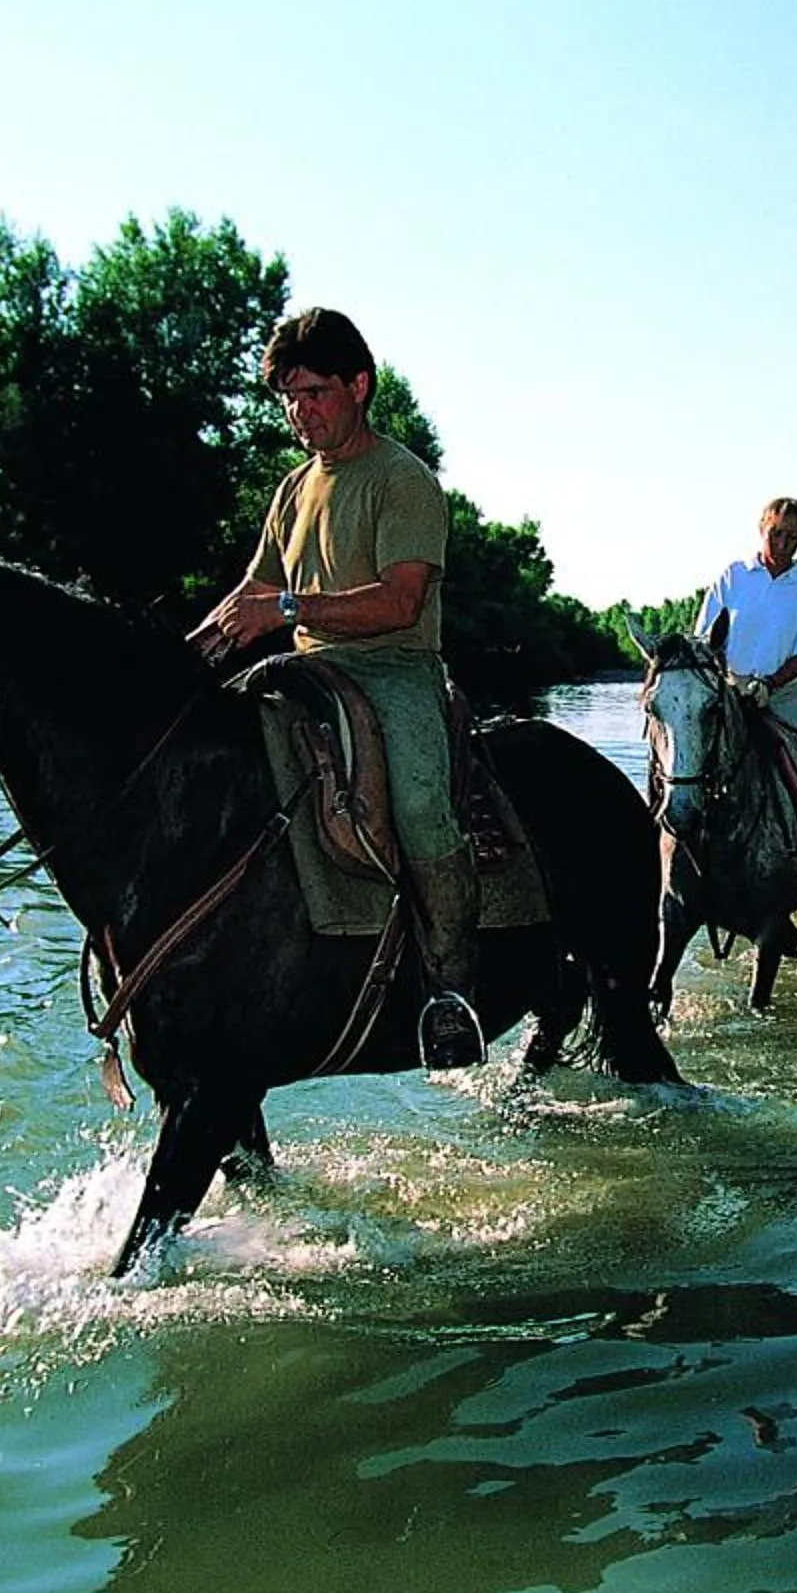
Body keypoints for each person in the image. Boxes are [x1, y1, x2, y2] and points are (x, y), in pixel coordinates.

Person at [191, 307, 484, 1070]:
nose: (299, 411)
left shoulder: (402, 479)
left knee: (420, 804)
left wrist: (285, 610)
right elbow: (253, 589)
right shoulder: (292, 490)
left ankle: (454, 989)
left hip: (393, 669)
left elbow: (400, 601)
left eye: (314, 392)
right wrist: (181, 664)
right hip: (305, 668)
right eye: (287, 397)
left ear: (359, 385)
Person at [692, 496, 797, 851]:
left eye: (792, 537)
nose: (783, 544)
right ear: (761, 529)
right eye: (776, 534)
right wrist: (729, 681)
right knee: (683, 751)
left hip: (786, 693)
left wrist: (769, 684)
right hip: (729, 691)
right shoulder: (733, 576)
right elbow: (705, 638)